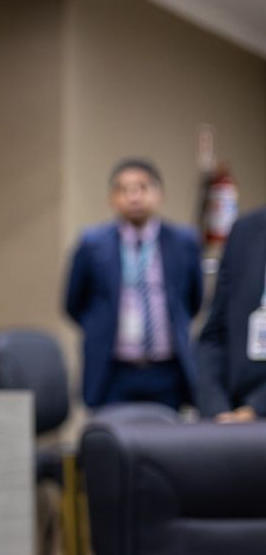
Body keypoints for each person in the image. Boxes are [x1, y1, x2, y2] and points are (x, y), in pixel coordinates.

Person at [65, 158, 203, 410]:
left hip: (167, 371)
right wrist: (100, 328)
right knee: (111, 432)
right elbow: (74, 303)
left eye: (142, 187)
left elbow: (193, 301)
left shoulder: (184, 241)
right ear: (112, 198)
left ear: (159, 194)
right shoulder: (92, 243)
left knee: (167, 432)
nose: (134, 197)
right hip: (113, 371)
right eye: (124, 189)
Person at [196, 206, 266, 422]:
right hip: (233, 415)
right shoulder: (246, 229)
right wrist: (216, 408)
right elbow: (214, 333)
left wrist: (256, 409)